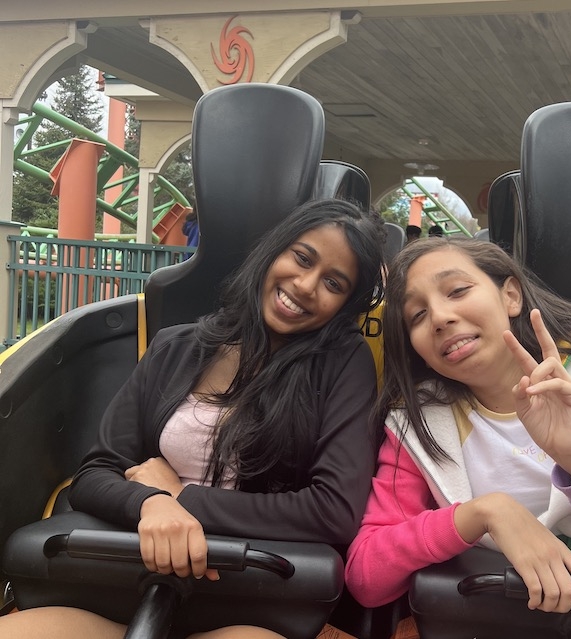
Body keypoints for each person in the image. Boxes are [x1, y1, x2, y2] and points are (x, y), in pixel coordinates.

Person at [1, 198, 386, 639]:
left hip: (244, 599)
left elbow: (333, 511)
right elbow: (96, 472)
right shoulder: (175, 346)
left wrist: (183, 497)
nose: (304, 284)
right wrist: (151, 503)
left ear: (345, 304)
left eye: (333, 283)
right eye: (301, 258)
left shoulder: (343, 364)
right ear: (274, 250)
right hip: (124, 584)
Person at [345, 238, 571, 614]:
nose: (440, 317)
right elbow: (367, 576)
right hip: (497, 617)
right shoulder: (420, 422)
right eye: (416, 315)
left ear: (511, 295)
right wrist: (484, 513)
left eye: (458, 290)